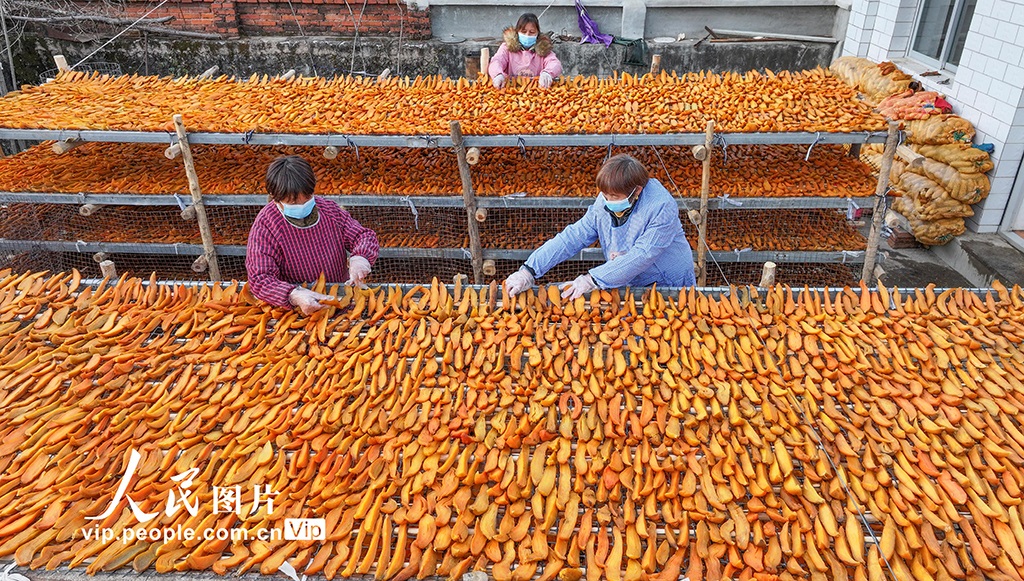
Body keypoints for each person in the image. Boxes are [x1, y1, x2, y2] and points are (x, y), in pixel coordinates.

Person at [504, 154, 695, 298]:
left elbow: (643, 254)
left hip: (665, 279)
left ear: (637, 191)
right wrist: (529, 270)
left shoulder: (661, 206)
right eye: (605, 195)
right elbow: (573, 236)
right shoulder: (605, 199)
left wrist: (592, 279)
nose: (608, 200)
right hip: (624, 274)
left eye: (614, 197)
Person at [246, 155, 379, 314]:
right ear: (276, 199)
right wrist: (293, 295)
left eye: (307, 198)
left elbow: (363, 236)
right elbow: (260, 279)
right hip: (298, 309)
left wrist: (361, 257)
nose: (302, 205)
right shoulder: (266, 225)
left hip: (340, 298)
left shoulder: (328, 210)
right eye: (293, 202)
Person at [488, 13, 563, 89]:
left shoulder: (544, 49)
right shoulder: (506, 48)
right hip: (510, 89)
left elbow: (555, 63)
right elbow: (497, 61)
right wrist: (498, 74)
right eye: (523, 32)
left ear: (537, 34)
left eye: (532, 32)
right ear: (517, 32)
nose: (527, 35)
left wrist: (547, 73)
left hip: (536, 90)